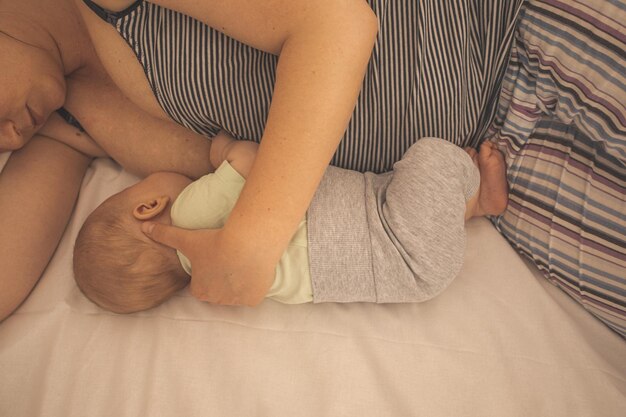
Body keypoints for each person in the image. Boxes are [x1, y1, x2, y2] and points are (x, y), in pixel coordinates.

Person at [1, 0, 524, 320]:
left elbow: (339, 23)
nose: (8, 139)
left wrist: (251, 242)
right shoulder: (61, 118)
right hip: (468, 162)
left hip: (499, 42)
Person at [73, 133, 508, 313]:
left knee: (391, 188)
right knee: (431, 153)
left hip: (411, 272)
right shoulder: (188, 213)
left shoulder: (214, 281)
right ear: (147, 207)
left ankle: (470, 208)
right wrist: (221, 151)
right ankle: (473, 194)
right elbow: (252, 160)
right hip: (398, 238)